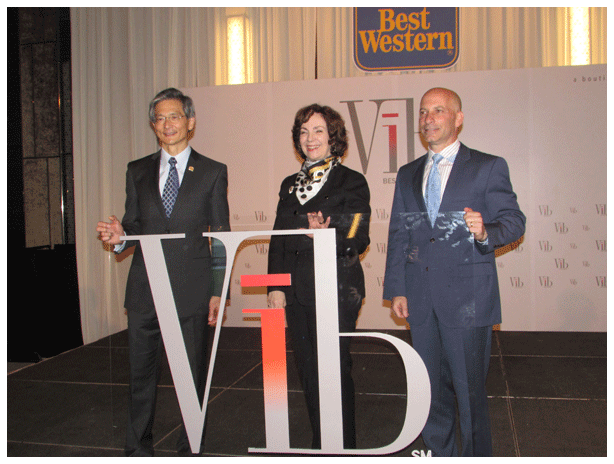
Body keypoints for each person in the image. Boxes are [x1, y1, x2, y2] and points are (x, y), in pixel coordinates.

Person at [383, 88, 525, 456]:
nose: (428, 119)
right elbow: (400, 233)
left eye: (438, 110)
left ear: (458, 118)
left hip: (468, 302)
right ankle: (438, 455)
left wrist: (485, 231)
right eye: (423, 112)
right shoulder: (408, 173)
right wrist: (397, 288)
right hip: (420, 299)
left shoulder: (487, 166)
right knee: (429, 392)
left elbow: (514, 221)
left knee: (469, 394)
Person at [96, 88, 230, 456]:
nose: (167, 124)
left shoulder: (213, 171)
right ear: (153, 126)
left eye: (174, 116)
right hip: (145, 290)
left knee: (192, 379)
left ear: (190, 122)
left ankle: (190, 449)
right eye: (159, 118)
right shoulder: (136, 170)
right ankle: (137, 450)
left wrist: (218, 290)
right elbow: (133, 226)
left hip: (192, 290)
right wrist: (119, 238)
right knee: (140, 378)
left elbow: (220, 235)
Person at [267, 104, 370, 449]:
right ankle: (321, 445)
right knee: (309, 372)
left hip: (336, 289)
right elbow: (278, 238)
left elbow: (358, 234)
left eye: (318, 131)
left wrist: (328, 235)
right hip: (296, 291)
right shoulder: (289, 185)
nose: (310, 138)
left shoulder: (351, 181)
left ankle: (343, 447)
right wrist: (276, 285)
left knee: (334, 370)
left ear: (333, 137)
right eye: (304, 132)